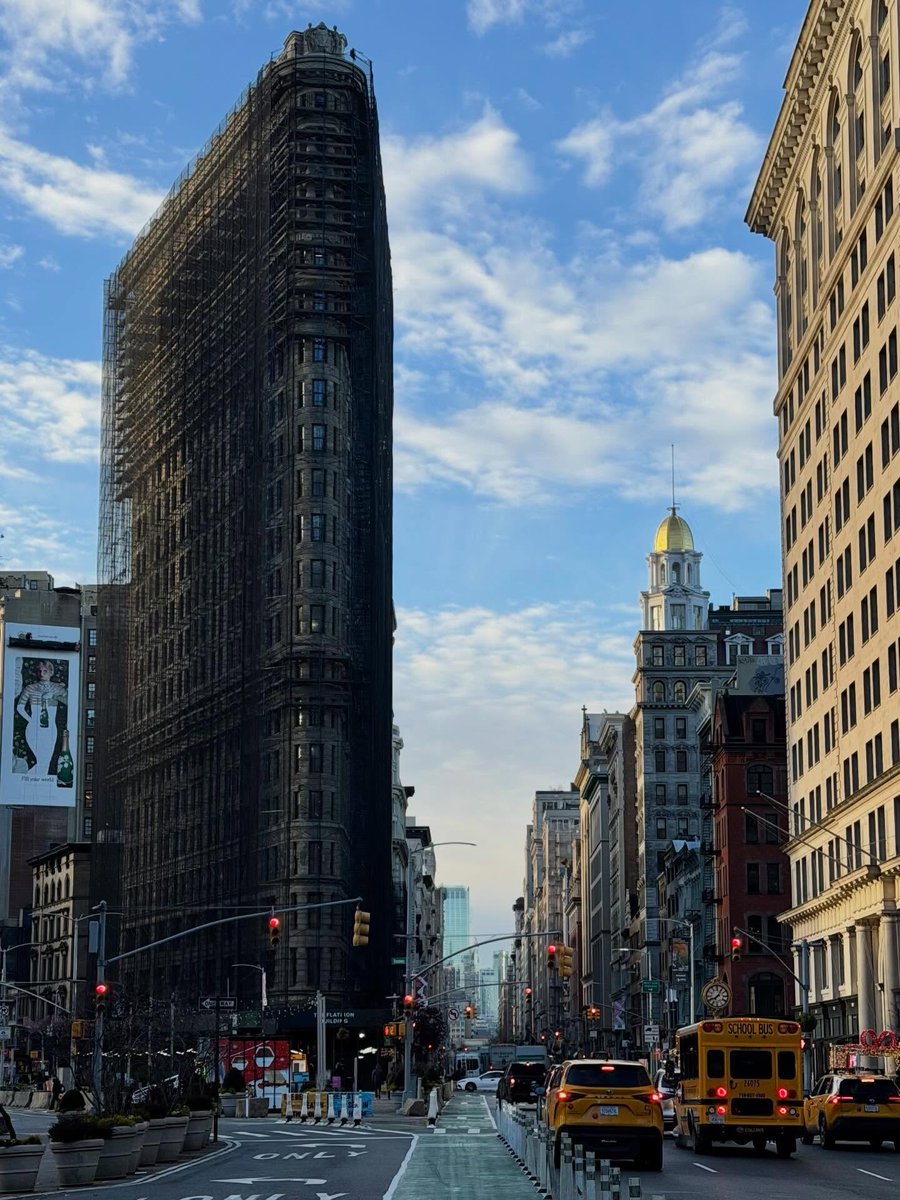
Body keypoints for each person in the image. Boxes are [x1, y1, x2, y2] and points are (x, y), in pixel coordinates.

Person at [14, 659, 68, 777]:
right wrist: (31, 720)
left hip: (50, 729)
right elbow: (20, 707)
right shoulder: (30, 688)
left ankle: (26, 781)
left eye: (45, 671)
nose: (42, 673)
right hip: (34, 727)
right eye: (39, 671)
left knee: (46, 762)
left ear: (51, 672)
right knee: (43, 762)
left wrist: (54, 696)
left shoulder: (58, 688)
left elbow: (69, 701)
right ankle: (27, 782)